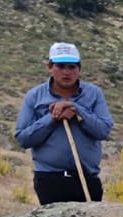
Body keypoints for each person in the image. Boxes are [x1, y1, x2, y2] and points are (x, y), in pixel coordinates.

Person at [15, 42, 114, 205]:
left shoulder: (94, 94)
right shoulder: (34, 96)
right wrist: (53, 118)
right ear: (50, 67)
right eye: (60, 66)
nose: (66, 72)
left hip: (87, 178)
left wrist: (76, 110)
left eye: (71, 66)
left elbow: (103, 130)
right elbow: (23, 139)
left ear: (79, 69)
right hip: (49, 180)